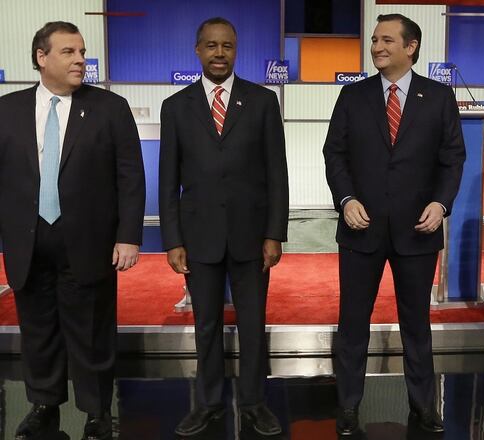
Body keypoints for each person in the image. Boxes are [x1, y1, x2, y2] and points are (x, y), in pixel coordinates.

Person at [0, 21, 145, 440]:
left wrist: (129, 235)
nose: (81, 59)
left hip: (89, 243)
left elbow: (130, 177)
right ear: (41, 58)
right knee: (38, 330)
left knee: (92, 331)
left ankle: (98, 411)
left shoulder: (109, 108)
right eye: (69, 52)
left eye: (81, 51)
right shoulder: (7, 110)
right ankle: (44, 404)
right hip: (27, 242)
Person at [323, 13, 465, 436]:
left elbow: (452, 159)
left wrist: (441, 204)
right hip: (360, 230)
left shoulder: (439, 97)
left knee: (416, 325)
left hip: (417, 232)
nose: (377, 47)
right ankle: (348, 406)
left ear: (411, 46)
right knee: (352, 324)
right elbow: (335, 154)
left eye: (387, 40)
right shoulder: (353, 95)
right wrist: (345, 199)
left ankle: (423, 405)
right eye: (374, 40)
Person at [158, 17, 289, 437]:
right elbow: (167, 180)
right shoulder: (176, 107)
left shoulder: (263, 101)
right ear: (198, 50)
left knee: (253, 323)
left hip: (252, 236)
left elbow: (277, 174)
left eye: (227, 46)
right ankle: (209, 402)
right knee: (205, 325)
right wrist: (173, 239)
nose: (219, 53)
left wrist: (274, 233)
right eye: (211, 46)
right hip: (199, 237)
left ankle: (253, 403)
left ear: (236, 50)